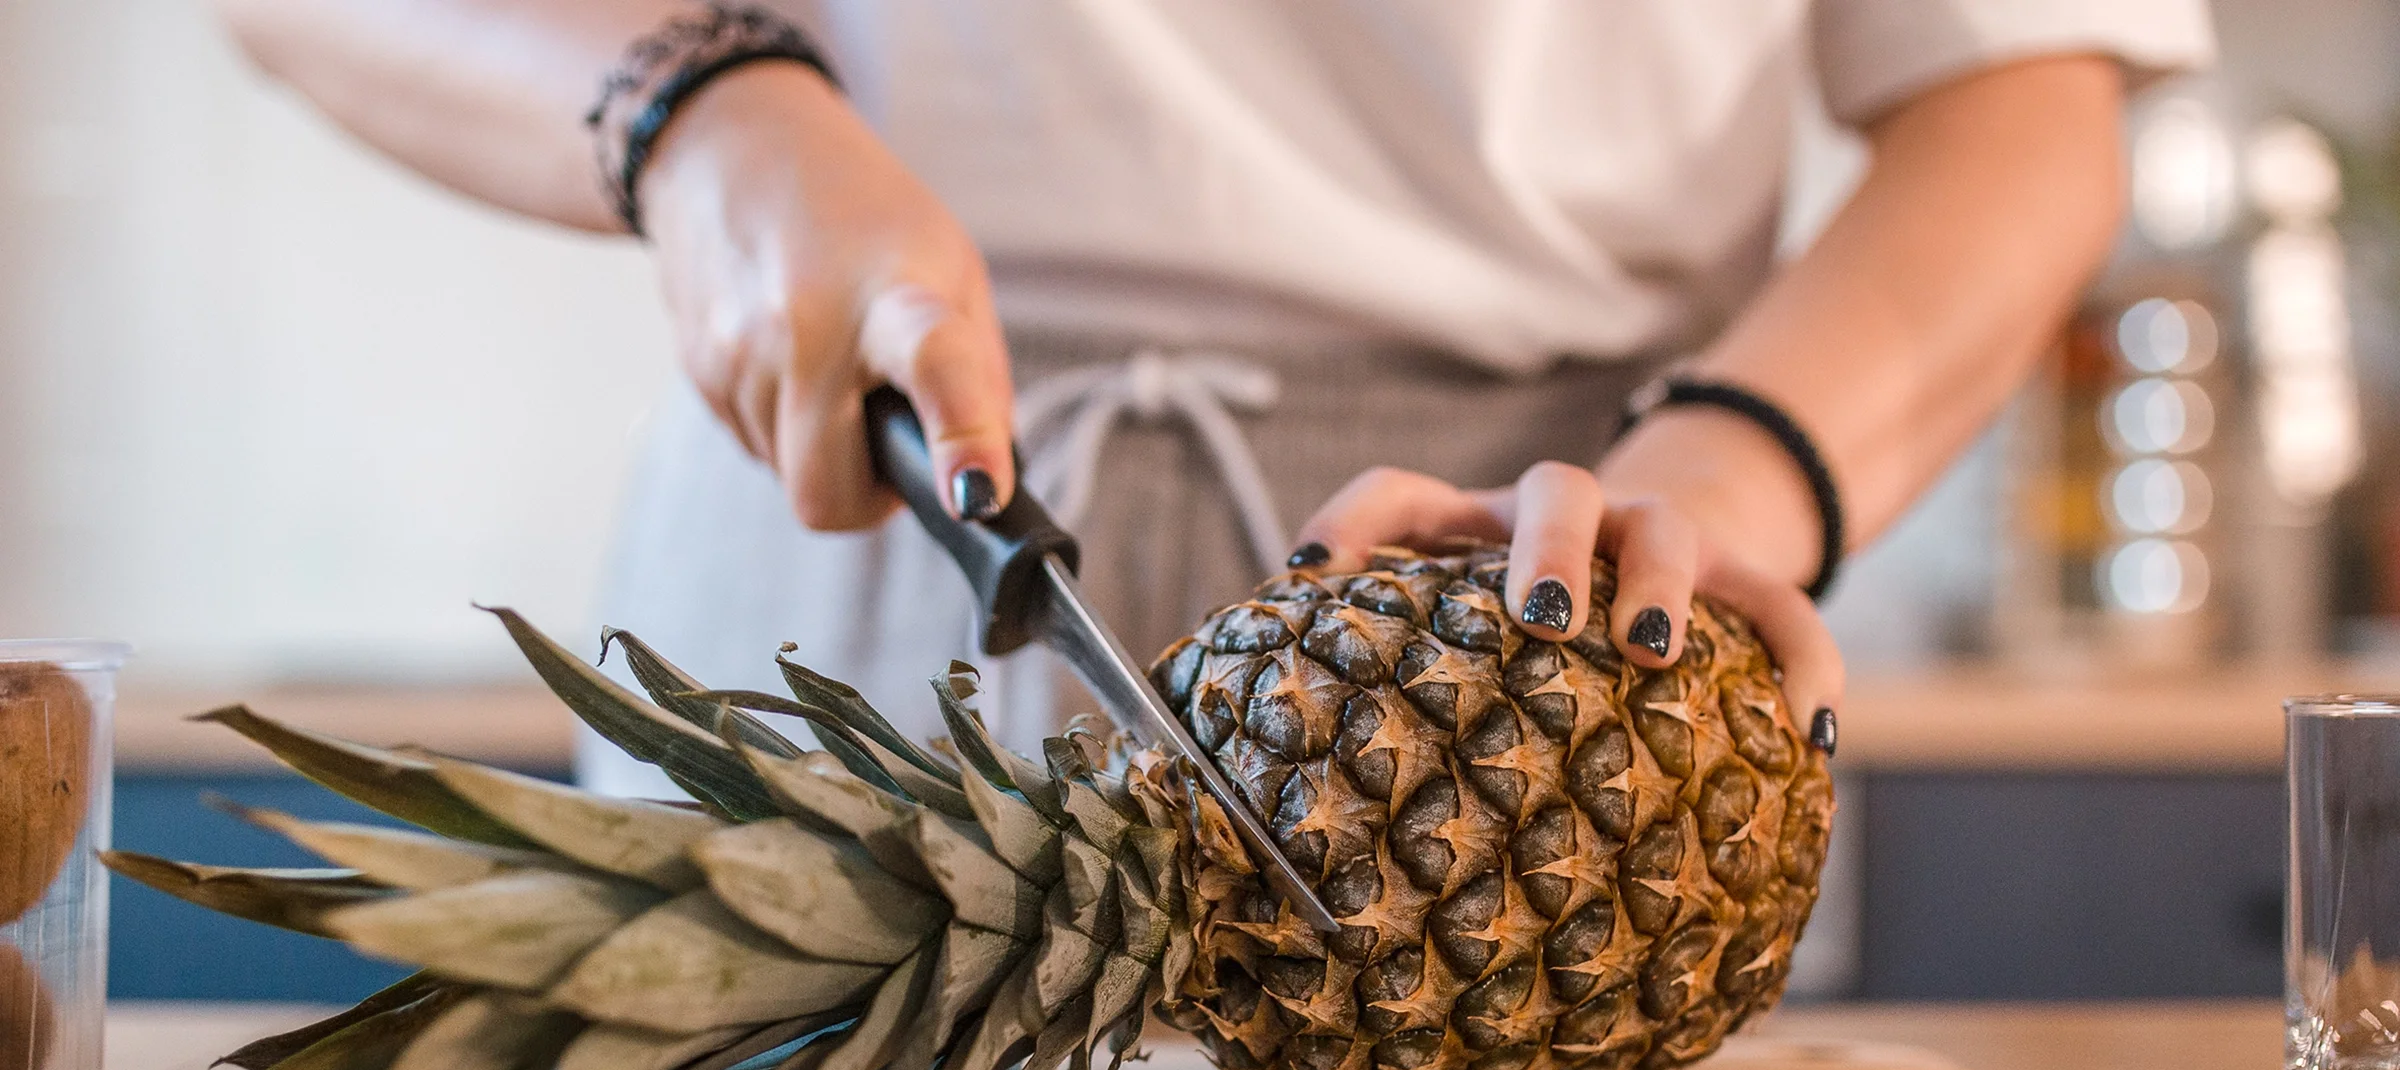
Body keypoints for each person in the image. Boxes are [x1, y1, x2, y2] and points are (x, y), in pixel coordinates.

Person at [218, 1, 2211, 790]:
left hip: (1567, 584)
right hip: (876, 542)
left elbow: (2025, 84)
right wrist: (700, 114)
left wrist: (1717, 479)